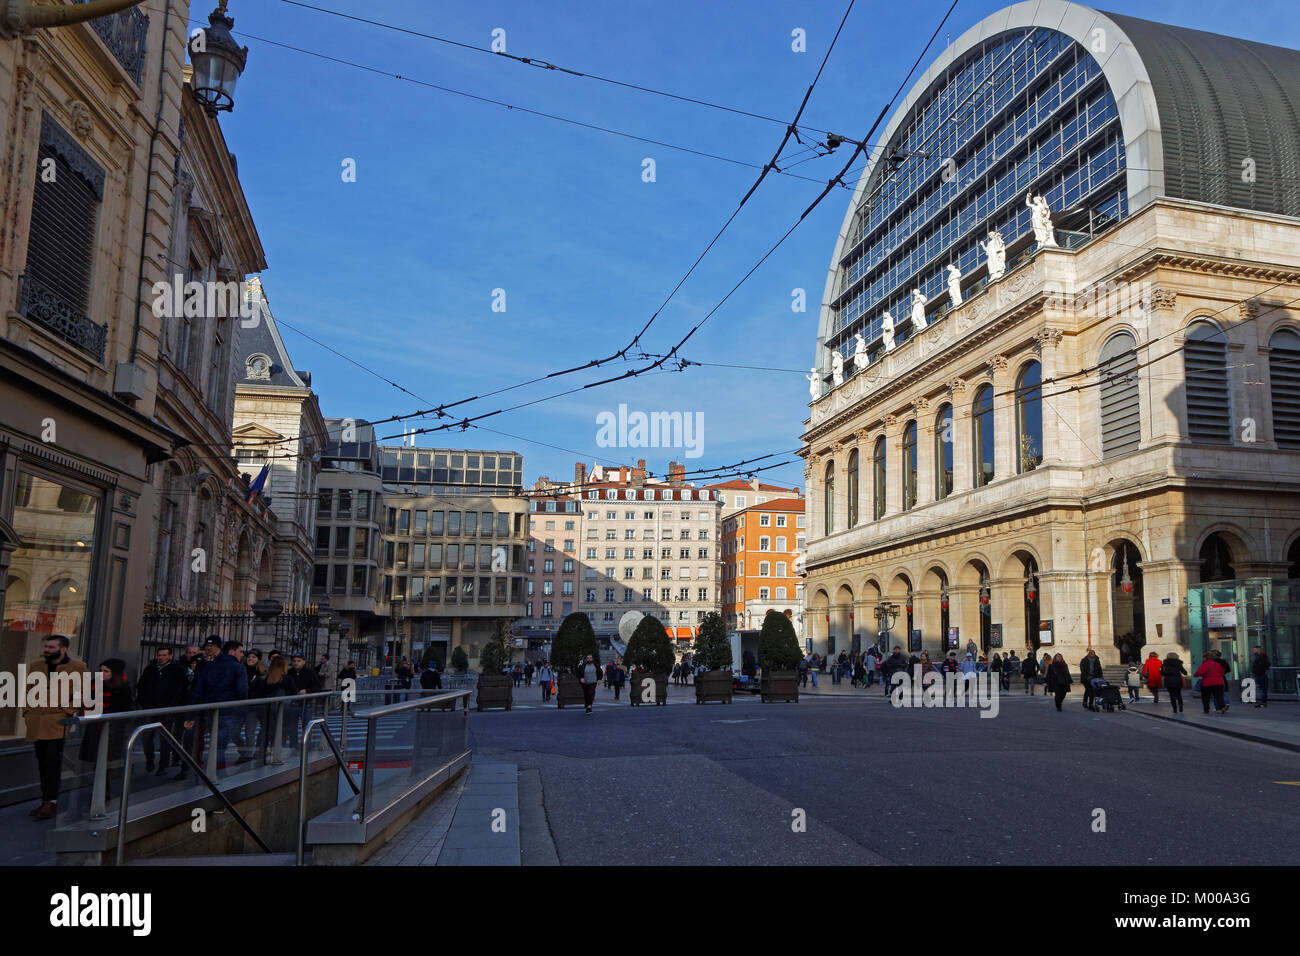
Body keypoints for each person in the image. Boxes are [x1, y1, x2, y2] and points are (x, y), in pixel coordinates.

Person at [24, 636, 88, 821]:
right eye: (45, 646)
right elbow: (28, 690)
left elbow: (82, 693)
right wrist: (27, 713)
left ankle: (50, 802)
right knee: (42, 762)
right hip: (36, 721)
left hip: (56, 722)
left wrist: (66, 711)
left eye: (51, 646)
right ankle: (45, 799)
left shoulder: (78, 667)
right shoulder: (36, 665)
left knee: (52, 762)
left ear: (63, 649)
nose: (47, 649)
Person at [182, 639, 248, 776]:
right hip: (228, 710)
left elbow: (197, 691)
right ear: (232, 651)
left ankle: (211, 771)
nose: (242, 655)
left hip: (210, 709)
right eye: (240, 651)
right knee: (220, 745)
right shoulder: (238, 667)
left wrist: (191, 714)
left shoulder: (208, 666)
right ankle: (218, 773)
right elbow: (242, 692)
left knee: (212, 742)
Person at [136, 644, 187, 775]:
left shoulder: (178, 670)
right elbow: (141, 686)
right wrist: (142, 702)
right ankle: (150, 759)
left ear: (170, 656)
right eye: (159, 655)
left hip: (167, 709)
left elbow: (180, 691)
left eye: (164, 655)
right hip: (150, 708)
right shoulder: (150, 668)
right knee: (147, 736)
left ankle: (163, 765)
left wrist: (172, 706)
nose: (161, 658)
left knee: (165, 738)